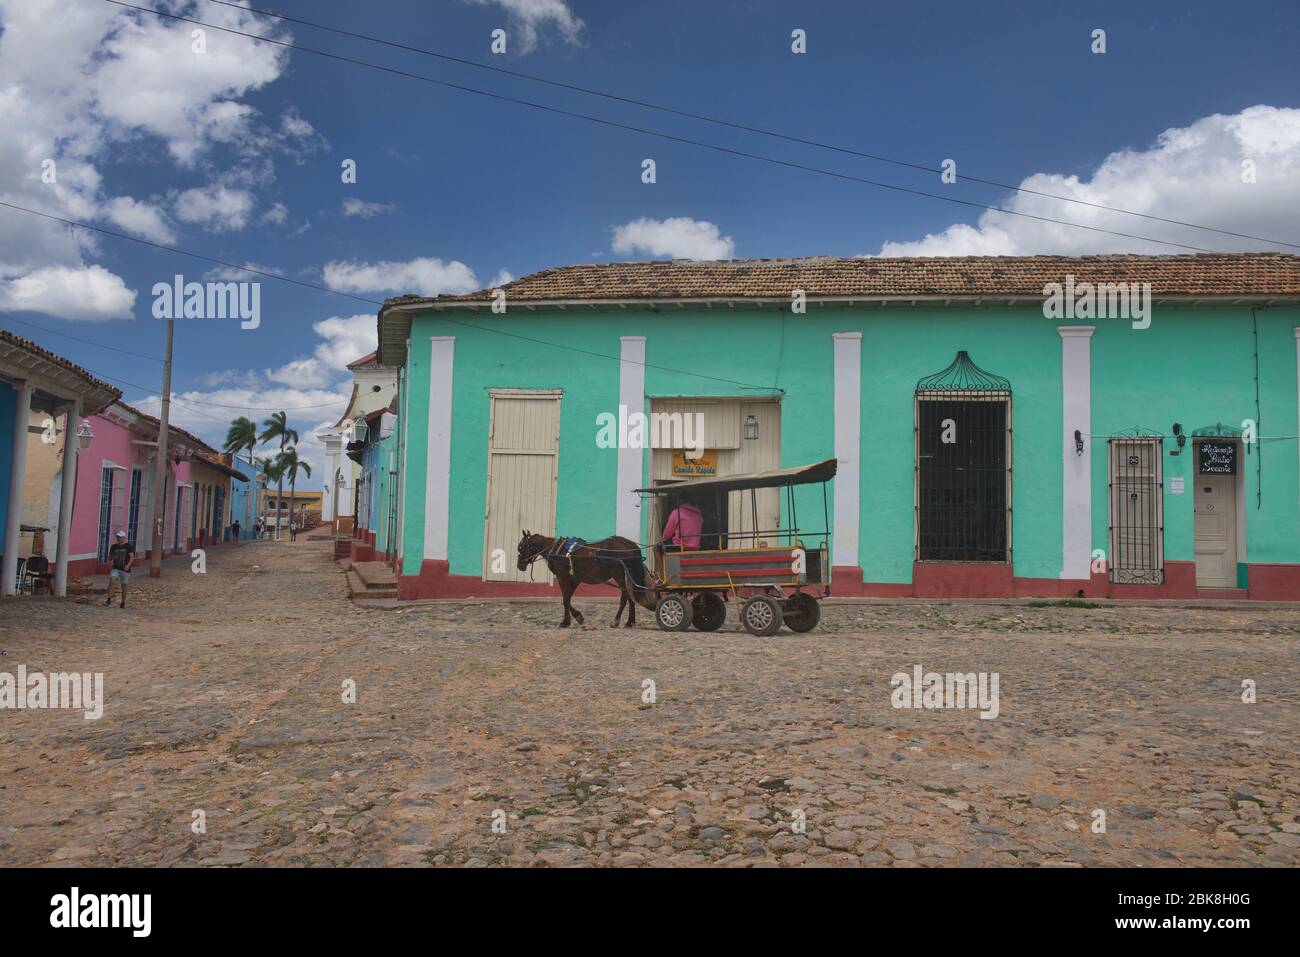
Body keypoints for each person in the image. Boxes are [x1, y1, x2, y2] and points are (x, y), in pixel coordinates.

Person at [104, 530, 133, 609]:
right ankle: (109, 600)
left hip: (125, 569)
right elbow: (110, 558)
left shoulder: (128, 546)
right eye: (117, 537)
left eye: (119, 537)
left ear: (124, 538)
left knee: (124, 586)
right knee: (112, 580)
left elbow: (132, 557)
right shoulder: (114, 546)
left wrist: (128, 565)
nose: (118, 538)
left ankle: (123, 602)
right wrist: (111, 558)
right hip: (116, 568)